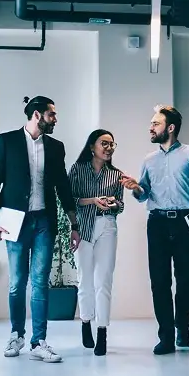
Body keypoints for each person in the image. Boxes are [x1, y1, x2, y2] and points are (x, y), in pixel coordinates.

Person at [0, 96, 80, 364]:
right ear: (37, 115)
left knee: (40, 281)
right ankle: (16, 335)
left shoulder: (56, 147)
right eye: (52, 114)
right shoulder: (7, 141)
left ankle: (39, 341)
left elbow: (63, 186)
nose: (56, 119)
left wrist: (73, 224)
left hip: (44, 222)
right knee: (17, 282)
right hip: (15, 221)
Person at [119, 105, 189, 355]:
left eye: (156, 123)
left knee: (185, 280)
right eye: (151, 123)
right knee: (159, 281)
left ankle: (183, 326)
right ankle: (166, 336)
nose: (150, 127)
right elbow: (144, 194)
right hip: (158, 222)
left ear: (170, 128)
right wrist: (135, 188)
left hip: (185, 221)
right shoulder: (148, 160)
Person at [68, 129, 125, 356]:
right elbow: (69, 200)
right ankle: (85, 322)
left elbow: (120, 205)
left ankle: (102, 331)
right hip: (83, 227)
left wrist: (113, 204)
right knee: (85, 279)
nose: (109, 148)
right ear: (92, 146)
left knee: (104, 281)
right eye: (105, 143)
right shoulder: (77, 169)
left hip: (107, 226)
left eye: (112, 144)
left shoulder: (117, 174)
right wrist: (92, 200)